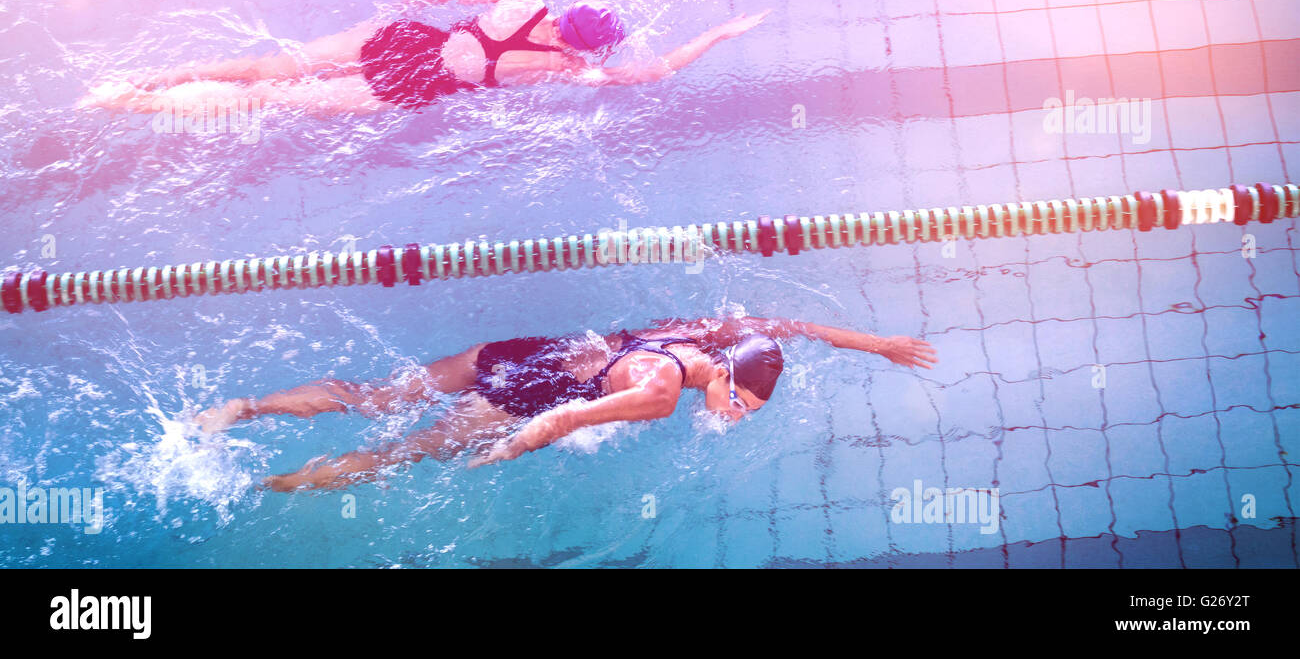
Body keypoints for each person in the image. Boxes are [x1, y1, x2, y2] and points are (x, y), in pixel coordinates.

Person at [194, 315, 937, 491]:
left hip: (525, 352)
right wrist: (502, 449)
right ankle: (280, 486)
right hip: (531, 395)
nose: (734, 413)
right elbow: (565, 418)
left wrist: (881, 346)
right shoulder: (660, 395)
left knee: (378, 397)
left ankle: (246, 408)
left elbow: (796, 327)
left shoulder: (713, 336)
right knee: (403, 452)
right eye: (738, 402)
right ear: (725, 380)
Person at [78, 0, 771, 114]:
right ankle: (123, 107)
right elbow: (647, 76)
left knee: (264, 67)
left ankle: (141, 80)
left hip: (400, 42)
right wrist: (716, 35)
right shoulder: (559, 66)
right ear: (588, 46)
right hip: (403, 88)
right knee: (265, 98)